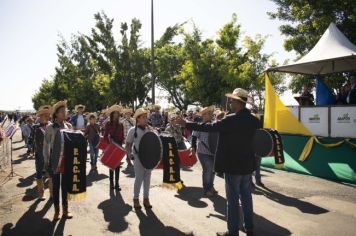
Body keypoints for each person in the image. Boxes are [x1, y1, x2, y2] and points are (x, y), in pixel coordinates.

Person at [177, 88, 261, 236]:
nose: (230, 102)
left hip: (233, 166)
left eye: (232, 100)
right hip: (247, 165)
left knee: (233, 200)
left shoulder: (230, 120)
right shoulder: (255, 120)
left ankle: (232, 232)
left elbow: (209, 127)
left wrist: (187, 124)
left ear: (238, 102)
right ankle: (249, 228)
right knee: (247, 198)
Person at [43, 100, 73, 220]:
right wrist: (46, 163)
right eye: (62, 111)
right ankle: (57, 211)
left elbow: (72, 144)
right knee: (55, 187)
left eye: (65, 111)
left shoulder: (69, 126)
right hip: (54, 162)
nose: (65, 112)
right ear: (56, 114)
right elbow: (45, 146)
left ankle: (65, 211)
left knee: (65, 186)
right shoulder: (49, 128)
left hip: (66, 161)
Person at [126, 108, 153, 209]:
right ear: (137, 119)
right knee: (139, 179)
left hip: (149, 158)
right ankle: (136, 199)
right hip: (137, 158)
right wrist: (130, 156)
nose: (146, 119)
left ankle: (146, 199)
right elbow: (128, 145)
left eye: (146, 117)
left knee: (147, 179)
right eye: (143, 117)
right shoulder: (132, 130)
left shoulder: (149, 130)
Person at [191, 105, 218, 197]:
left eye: (211, 113)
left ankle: (211, 186)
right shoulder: (199, 125)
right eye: (209, 113)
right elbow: (194, 137)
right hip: (203, 151)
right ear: (204, 115)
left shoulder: (214, 124)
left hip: (213, 151)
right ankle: (206, 189)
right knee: (207, 170)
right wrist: (193, 148)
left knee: (213, 170)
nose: (211, 115)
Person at [33, 105, 52, 200]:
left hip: (51, 155)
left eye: (48, 114)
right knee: (39, 173)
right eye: (45, 115)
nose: (47, 116)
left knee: (51, 174)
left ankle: (52, 193)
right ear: (41, 116)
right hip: (40, 154)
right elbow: (31, 140)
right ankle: (41, 193)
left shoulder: (52, 126)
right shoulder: (35, 127)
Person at [104, 104, 124, 191]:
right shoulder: (108, 124)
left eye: (117, 113)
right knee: (111, 165)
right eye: (114, 113)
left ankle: (117, 183)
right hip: (111, 145)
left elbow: (122, 136)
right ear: (112, 114)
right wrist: (109, 143)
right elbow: (105, 136)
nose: (116, 115)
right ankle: (111, 183)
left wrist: (122, 146)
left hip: (119, 145)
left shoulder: (121, 124)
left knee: (118, 165)